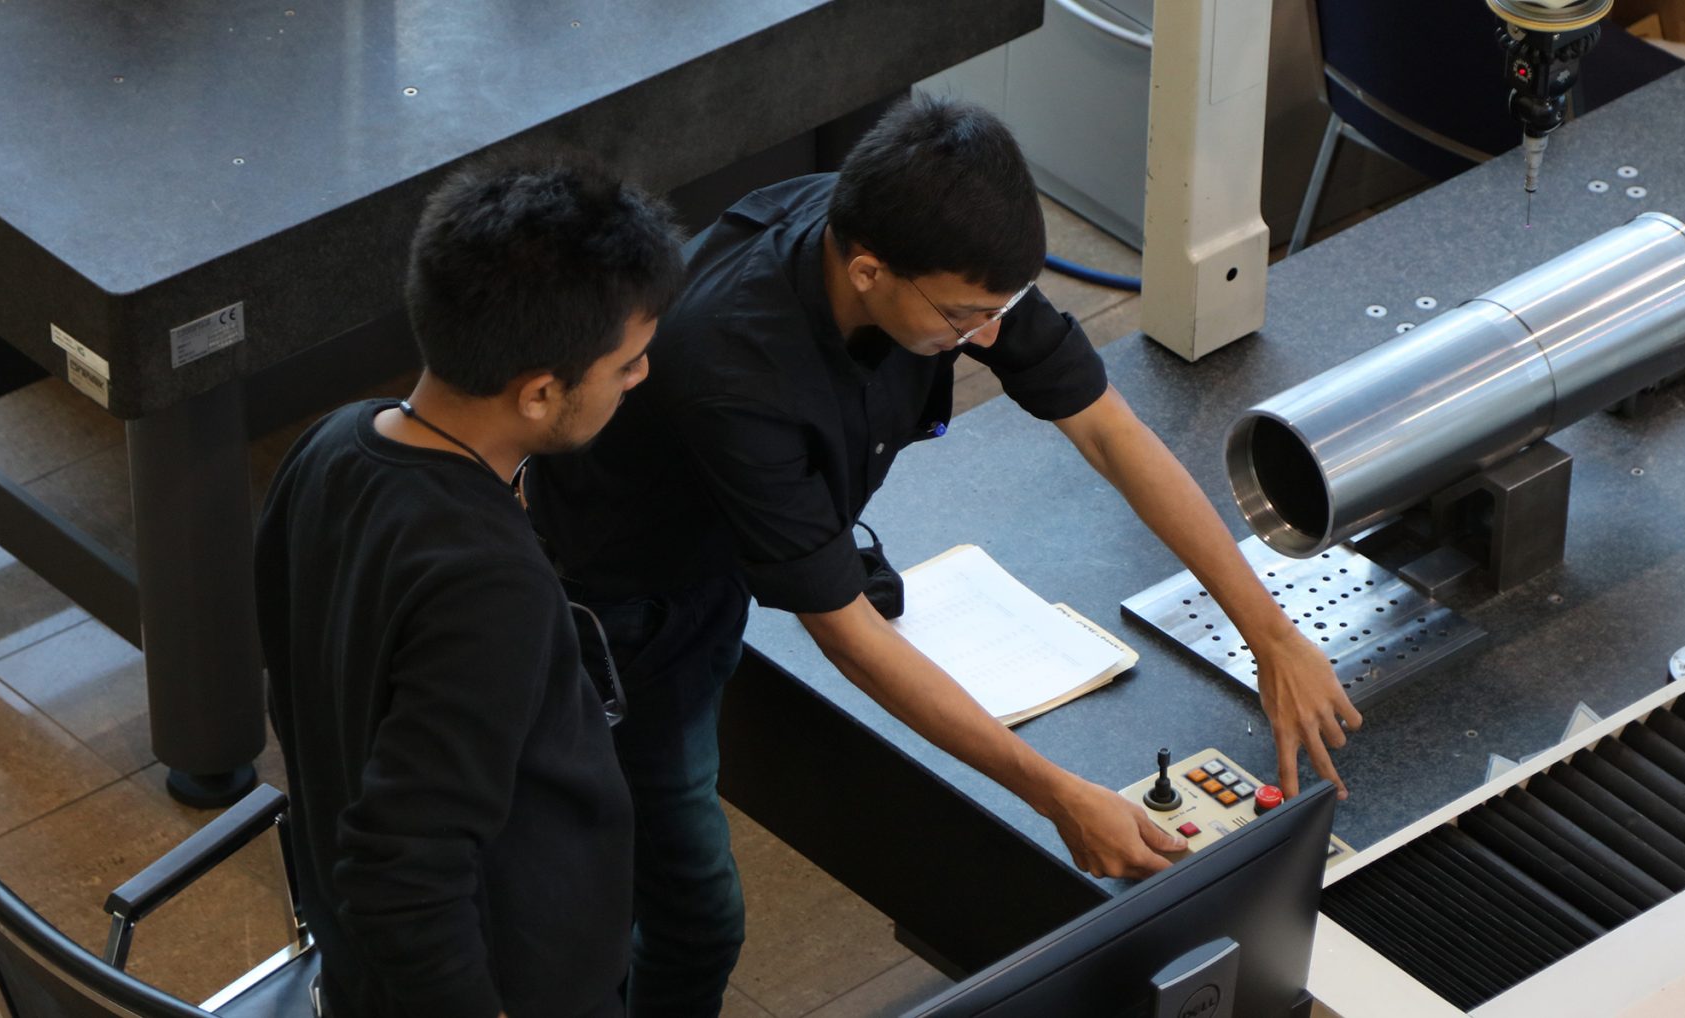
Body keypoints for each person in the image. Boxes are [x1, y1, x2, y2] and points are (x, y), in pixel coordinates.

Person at [531, 95, 1364, 1015]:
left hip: (732, 542)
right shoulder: (732, 364)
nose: (990, 334)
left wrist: (1271, 633)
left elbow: (1110, 432)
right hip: (629, 610)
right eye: (964, 318)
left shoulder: (937, 249)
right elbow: (843, 634)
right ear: (868, 270)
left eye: (998, 307)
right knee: (694, 911)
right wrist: (1053, 792)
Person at [256, 156, 684, 1018]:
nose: (642, 378)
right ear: (538, 392)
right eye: (629, 363)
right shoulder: (488, 586)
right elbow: (403, 872)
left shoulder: (330, 445)